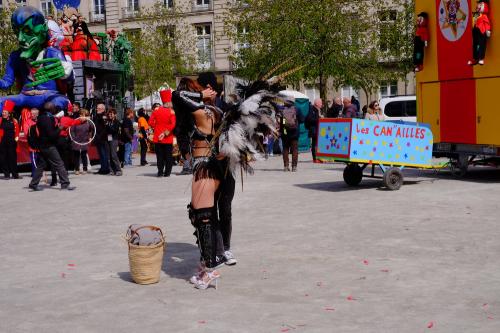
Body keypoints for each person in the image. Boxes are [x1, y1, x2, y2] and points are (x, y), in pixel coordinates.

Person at [29, 101, 74, 191]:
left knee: (41, 165)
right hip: (48, 145)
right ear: (51, 109)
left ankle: (33, 184)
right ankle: (65, 183)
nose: (55, 109)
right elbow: (51, 135)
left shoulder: (41, 117)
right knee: (59, 163)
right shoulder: (49, 119)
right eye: (54, 108)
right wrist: (60, 128)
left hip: (42, 145)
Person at [148, 94, 176, 177]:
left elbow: (150, 122)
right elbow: (173, 124)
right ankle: (167, 173)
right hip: (168, 137)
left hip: (157, 137)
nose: (171, 104)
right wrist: (165, 132)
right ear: (167, 103)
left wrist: (156, 127)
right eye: (170, 102)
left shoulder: (156, 111)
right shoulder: (171, 112)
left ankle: (160, 172)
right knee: (168, 156)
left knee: (159, 156)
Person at [0, 100, 21, 179]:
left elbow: (17, 131)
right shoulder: (0, 120)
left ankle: (15, 174)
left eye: (5, 112)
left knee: (12, 157)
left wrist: (16, 139)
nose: (3, 113)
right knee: (3, 158)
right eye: (3, 112)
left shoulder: (14, 121)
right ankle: (6, 174)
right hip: (2, 142)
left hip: (12, 142)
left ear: (9, 113)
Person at [280, 99, 302, 172]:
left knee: (285, 149)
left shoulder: (282, 109)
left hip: (285, 131)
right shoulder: (297, 109)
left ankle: (286, 166)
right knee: (295, 149)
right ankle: (294, 166)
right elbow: (302, 119)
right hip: (294, 132)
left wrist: (284, 127)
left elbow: (281, 121)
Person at [71, 109, 91, 174]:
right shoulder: (75, 122)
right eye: (81, 115)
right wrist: (73, 138)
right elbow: (72, 130)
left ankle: (85, 168)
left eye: (84, 115)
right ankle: (77, 169)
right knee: (76, 155)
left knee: (83, 155)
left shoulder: (88, 123)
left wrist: (89, 137)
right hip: (76, 140)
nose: (82, 117)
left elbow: (91, 130)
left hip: (84, 140)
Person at [93, 102, 111, 175]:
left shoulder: (104, 116)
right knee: (100, 154)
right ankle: (102, 168)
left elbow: (105, 128)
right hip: (97, 137)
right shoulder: (96, 116)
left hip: (103, 138)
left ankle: (105, 168)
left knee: (104, 154)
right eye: (97, 108)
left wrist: (100, 136)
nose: (97, 109)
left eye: (99, 108)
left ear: (103, 109)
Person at [105, 108, 123, 176]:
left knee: (113, 155)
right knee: (108, 156)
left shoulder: (117, 122)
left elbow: (114, 130)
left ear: (115, 114)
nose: (110, 115)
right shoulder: (107, 121)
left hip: (114, 139)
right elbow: (106, 130)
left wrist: (107, 126)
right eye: (109, 114)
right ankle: (111, 170)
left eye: (111, 114)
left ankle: (118, 170)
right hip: (108, 139)